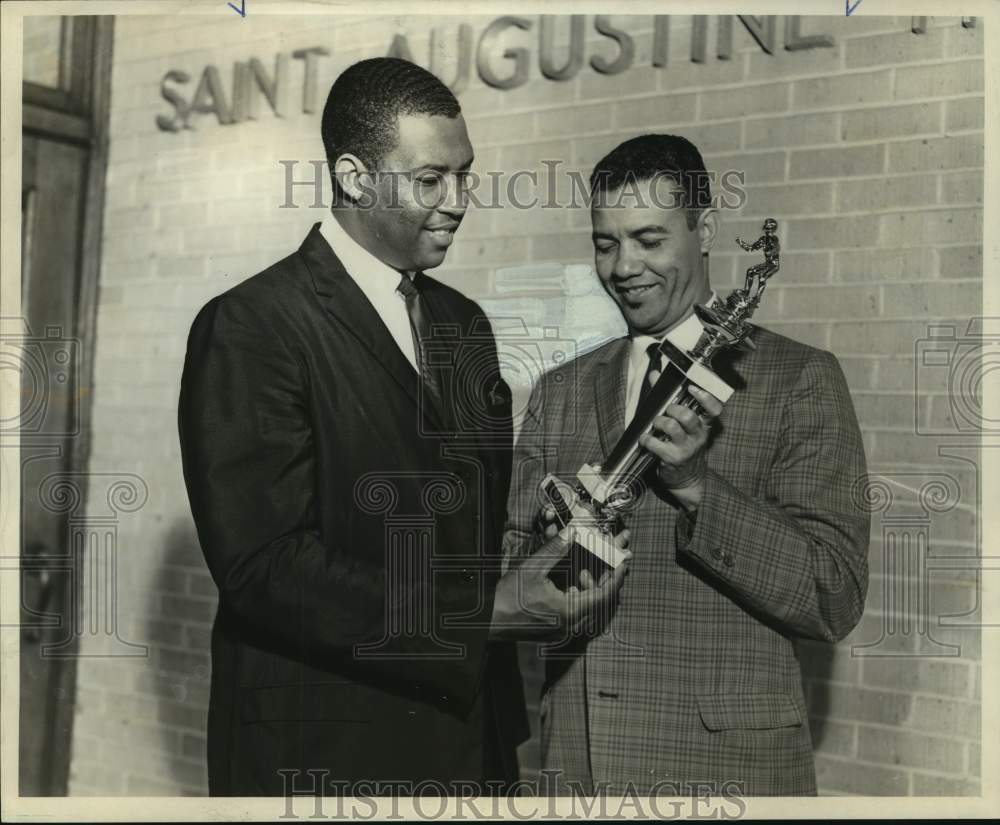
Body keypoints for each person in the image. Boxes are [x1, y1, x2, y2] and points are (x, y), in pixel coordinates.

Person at [178, 57, 628, 796]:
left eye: (466, 176)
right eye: (430, 180)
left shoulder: (463, 324)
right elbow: (267, 568)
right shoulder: (253, 324)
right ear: (354, 177)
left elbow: (474, 527)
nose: (457, 202)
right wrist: (489, 611)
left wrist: (546, 538)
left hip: (467, 745)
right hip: (322, 752)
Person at [504, 134, 870, 796]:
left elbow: (833, 595)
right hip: (578, 771)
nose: (623, 266)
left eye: (649, 239)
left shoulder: (800, 379)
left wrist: (699, 486)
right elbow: (510, 571)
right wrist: (552, 533)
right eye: (605, 242)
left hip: (724, 776)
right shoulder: (560, 390)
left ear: (706, 229)